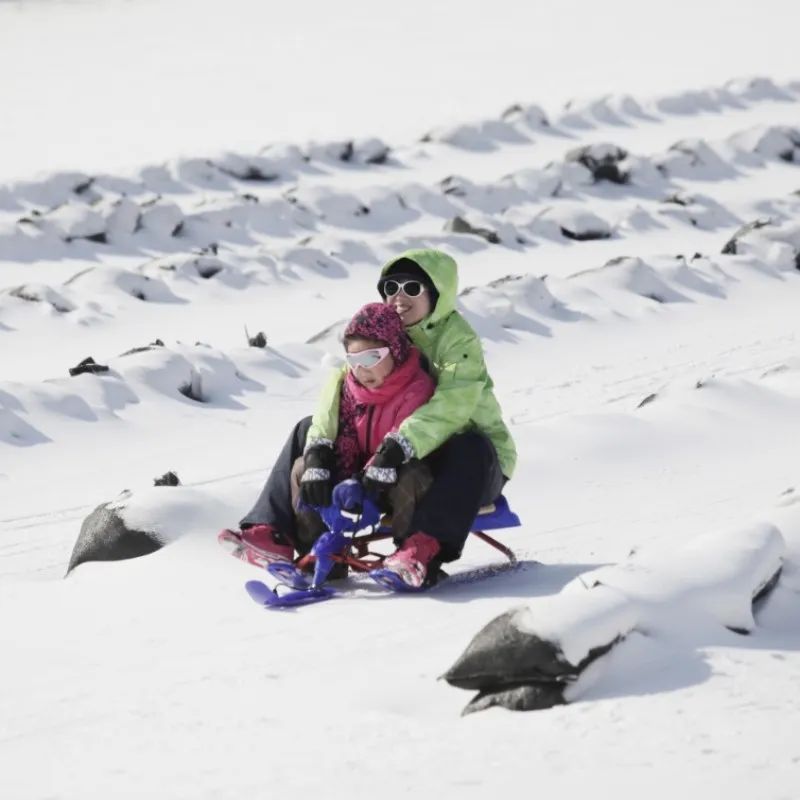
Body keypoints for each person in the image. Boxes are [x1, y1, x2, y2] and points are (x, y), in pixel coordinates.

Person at [230, 248, 517, 589]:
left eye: (412, 288)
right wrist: (320, 450)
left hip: (469, 465)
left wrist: (396, 449)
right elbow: (341, 383)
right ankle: (272, 533)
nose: (399, 297)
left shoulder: (458, 342)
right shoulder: (382, 329)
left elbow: (454, 405)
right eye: (390, 287)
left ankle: (420, 550)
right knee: (309, 429)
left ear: (437, 292)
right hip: (402, 448)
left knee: (468, 446)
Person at [220, 301, 435, 571]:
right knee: (303, 465)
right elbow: (323, 425)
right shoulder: (347, 386)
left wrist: (361, 481)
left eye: (371, 358)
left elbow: (403, 441)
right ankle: (306, 552)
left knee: (412, 474)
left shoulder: (416, 389)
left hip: (391, 478)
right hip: (354, 477)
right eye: (353, 361)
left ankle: (410, 558)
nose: (361, 370)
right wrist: (318, 464)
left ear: (396, 349)